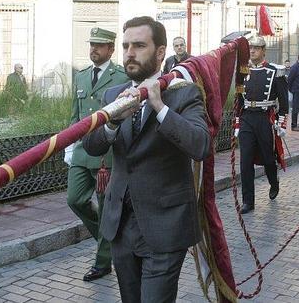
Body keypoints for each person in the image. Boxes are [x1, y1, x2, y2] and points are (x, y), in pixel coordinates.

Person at [83, 16, 210, 302]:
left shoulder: (183, 93)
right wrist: (112, 123)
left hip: (165, 225)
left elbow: (200, 145)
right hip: (121, 225)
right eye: (126, 45)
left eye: (139, 45)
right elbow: (90, 145)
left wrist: (160, 108)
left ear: (161, 52)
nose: (130, 53)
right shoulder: (113, 95)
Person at [63, 27, 128, 282]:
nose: (94, 49)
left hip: (107, 153)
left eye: (99, 46)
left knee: (105, 208)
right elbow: (74, 115)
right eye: (92, 45)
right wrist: (68, 145)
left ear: (111, 49)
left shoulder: (121, 76)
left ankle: (102, 262)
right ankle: (108, 241)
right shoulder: (80, 77)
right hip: (81, 151)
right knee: (75, 199)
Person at [234, 35, 288, 214]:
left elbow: (284, 102)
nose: (252, 51)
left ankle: (274, 181)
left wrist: (281, 124)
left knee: (267, 158)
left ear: (264, 50)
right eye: (251, 48)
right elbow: (239, 99)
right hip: (247, 118)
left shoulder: (275, 72)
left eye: (256, 48)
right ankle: (248, 201)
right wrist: (236, 122)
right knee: (245, 161)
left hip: (266, 119)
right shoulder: (243, 71)